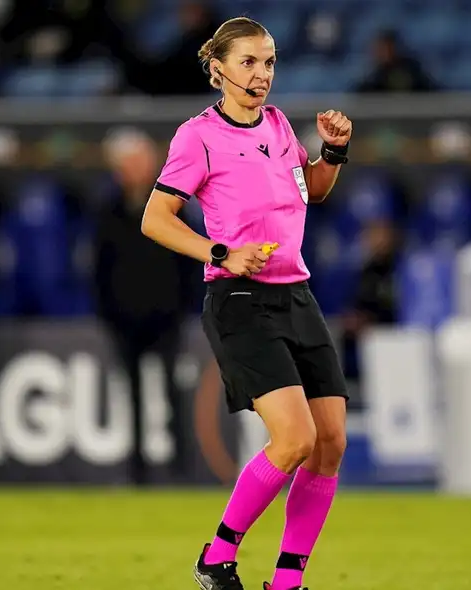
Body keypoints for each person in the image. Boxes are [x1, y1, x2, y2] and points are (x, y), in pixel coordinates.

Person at [139, 16, 353, 590]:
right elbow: (155, 219)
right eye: (249, 62)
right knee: (295, 440)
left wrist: (333, 152)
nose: (262, 74)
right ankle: (216, 556)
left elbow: (312, 190)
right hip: (239, 300)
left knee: (331, 442)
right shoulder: (197, 136)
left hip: (296, 294)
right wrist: (222, 252)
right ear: (218, 70)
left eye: (270, 62)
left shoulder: (279, 124)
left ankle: (286, 583)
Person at [93, 127, 194, 484]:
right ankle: (138, 471)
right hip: (125, 320)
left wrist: (180, 307)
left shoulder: (173, 206)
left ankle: (181, 469)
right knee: (132, 396)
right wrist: (109, 313)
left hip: (165, 317)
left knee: (172, 393)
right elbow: (100, 268)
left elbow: (188, 258)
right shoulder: (109, 212)